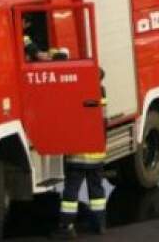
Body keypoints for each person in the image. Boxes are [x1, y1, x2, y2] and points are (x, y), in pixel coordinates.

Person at [57, 72, 108, 237]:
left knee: (71, 192)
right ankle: (99, 225)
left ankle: (67, 227)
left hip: (78, 153)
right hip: (96, 152)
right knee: (97, 191)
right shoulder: (101, 91)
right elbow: (104, 120)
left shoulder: (72, 91)